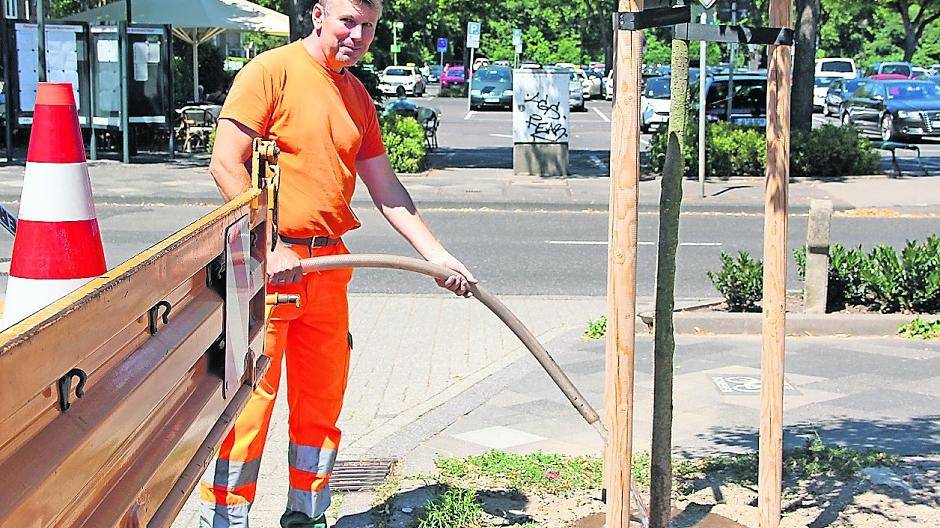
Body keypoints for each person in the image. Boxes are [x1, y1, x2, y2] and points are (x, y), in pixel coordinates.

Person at [200, 0, 476, 526]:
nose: (358, 35)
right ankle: (227, 518)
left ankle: (307, 514)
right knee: (249, 404)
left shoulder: (356, 96)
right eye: (348, 20)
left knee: (321, 404)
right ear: (318, 14)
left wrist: (437, 256)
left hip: (328, 268)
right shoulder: (271, 72)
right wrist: (269, 243)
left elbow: (385, 187)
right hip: (268, 272)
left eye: (368, 25)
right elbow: (225, 163)